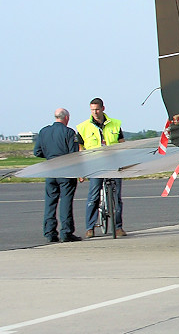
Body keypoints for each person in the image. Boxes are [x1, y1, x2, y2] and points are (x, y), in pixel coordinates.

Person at [76, 97, 125, 238]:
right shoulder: (83, 127)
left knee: (116, 197)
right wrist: (82, 170)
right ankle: (90, 228)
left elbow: (122, 144)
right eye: (92, 110)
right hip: (95, 164)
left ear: (103, 109)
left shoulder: (115, 124)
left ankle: (118, 227)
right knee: (93, 196)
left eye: (97, 109)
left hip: (113, 164)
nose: (95, 112)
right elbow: (81, 149)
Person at [33, 108, 81, 243]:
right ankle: (66, 232)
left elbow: (37, 152)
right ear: (66, 118)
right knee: (66, 201)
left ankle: (49, 232)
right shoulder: (69, 132)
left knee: (50, 202)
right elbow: (74, 154)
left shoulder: (44, 132)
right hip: (65, 171)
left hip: (50, 170)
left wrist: (49, 156)